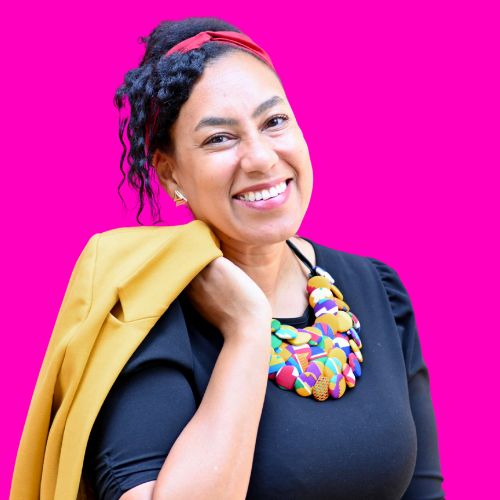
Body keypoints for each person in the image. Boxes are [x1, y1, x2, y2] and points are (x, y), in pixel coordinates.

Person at [81, 16, 445, 500]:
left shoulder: (377, 290)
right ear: (170, 175)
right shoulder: (144, 313)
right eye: (219, 138)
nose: (260, 158)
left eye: (274, 122)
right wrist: (247, 330)